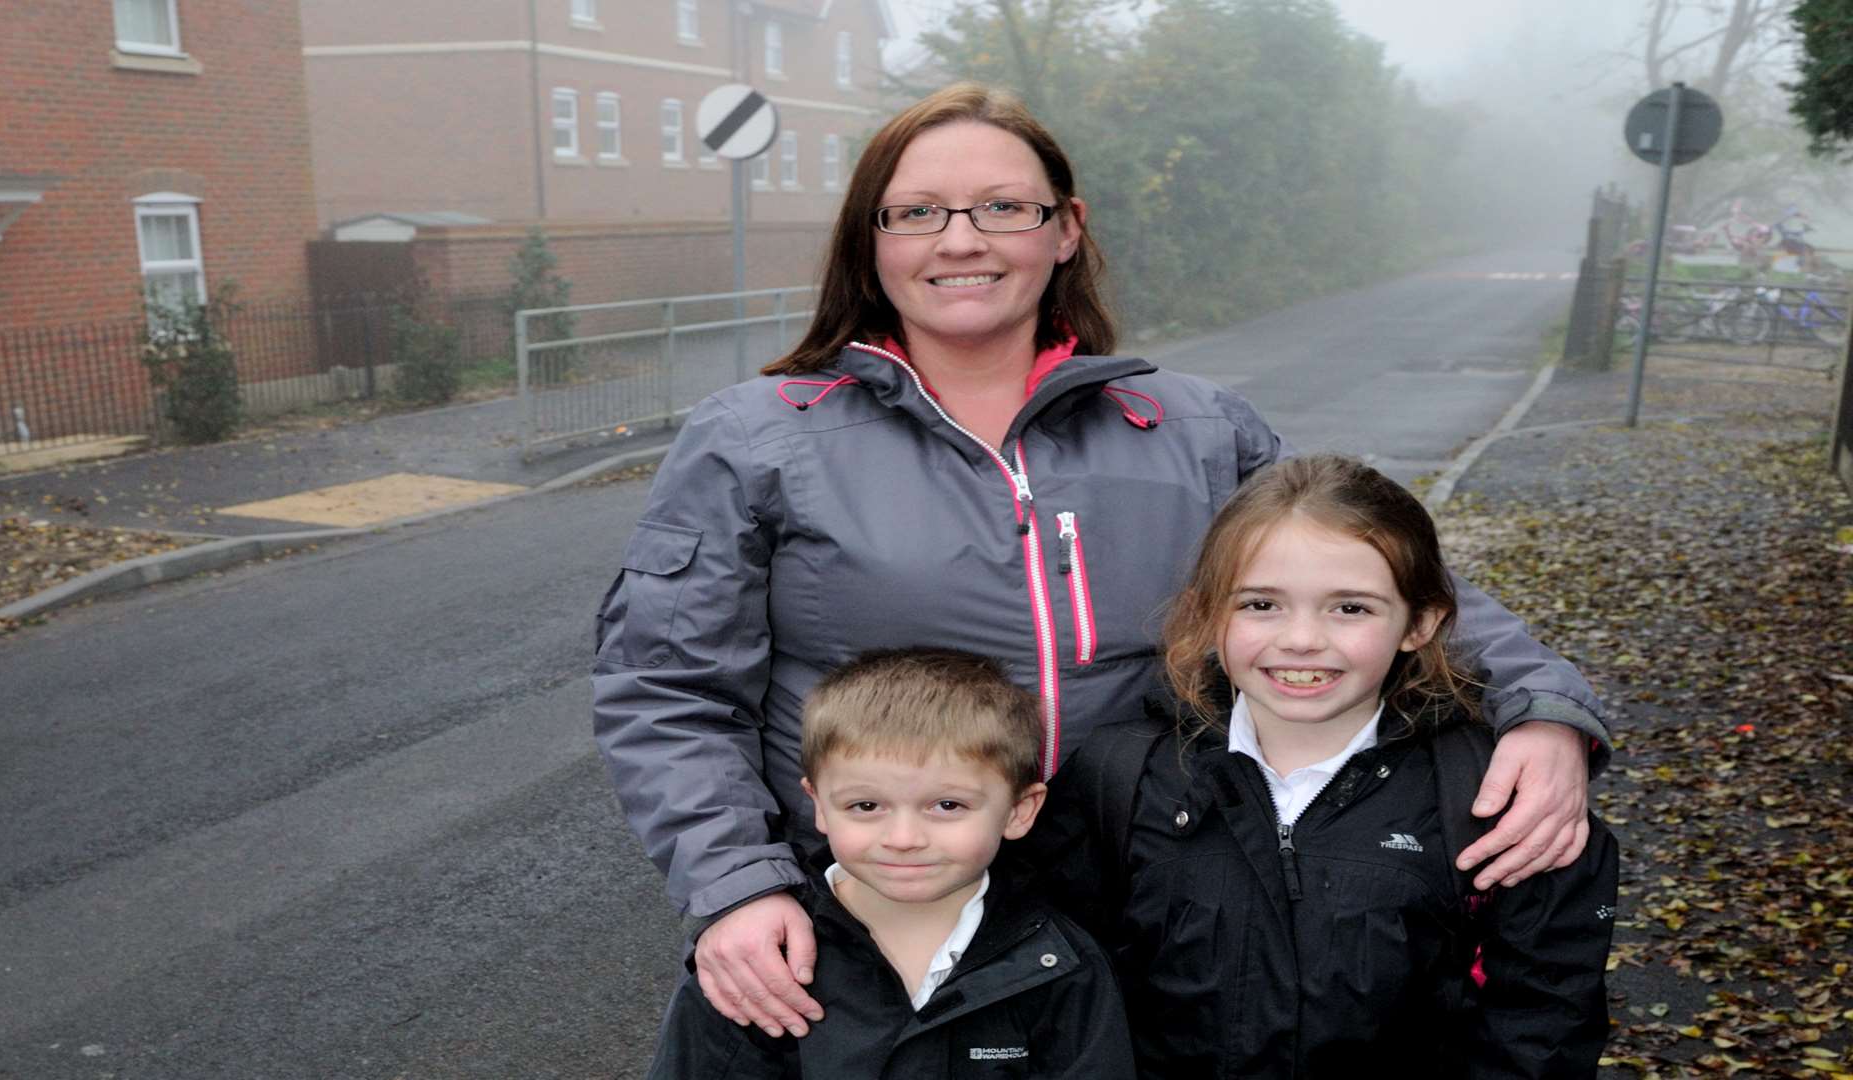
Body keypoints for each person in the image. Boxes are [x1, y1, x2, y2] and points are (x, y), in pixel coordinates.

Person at [592, 82, 1611, 1041]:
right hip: (876, 913)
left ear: (1065, 229)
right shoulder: (756, 439)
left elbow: (1383, 578)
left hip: (1151, 913)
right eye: (918, 213)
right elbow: (667, 687)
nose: (961, 240)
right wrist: (737, 883)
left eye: (1002, 207)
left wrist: (1548, 711)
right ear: (872, 241)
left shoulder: (1192, 427)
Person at [1030, 454, 1618, 1076]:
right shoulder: (1119, 777)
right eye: (1261, 605)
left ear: (1420, 623)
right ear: (1209, 614)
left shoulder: (1494, 800)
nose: (1302, 639)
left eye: (1350, 608)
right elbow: (1064, 994)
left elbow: (1539, 1023)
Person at [644, 648, 1137, 1078]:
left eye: (947, 806)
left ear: (1019, 811)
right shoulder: (760, 962)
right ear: (818, 804)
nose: (903, 839)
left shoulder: (1062, 964)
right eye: (866, 806)